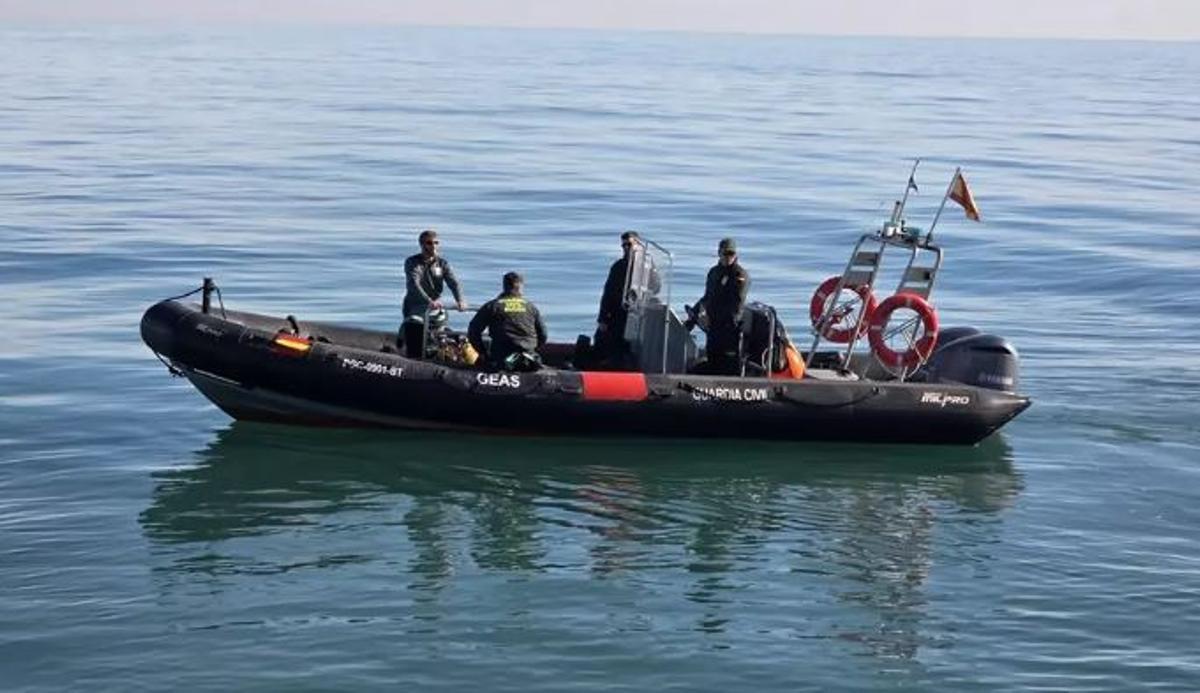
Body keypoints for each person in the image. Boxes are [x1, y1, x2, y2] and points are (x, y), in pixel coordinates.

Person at [687, 237, 750, 375]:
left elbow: (737, 306)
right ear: (719, 253)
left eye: (731, 254)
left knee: (726, 365)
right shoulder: (714, 272)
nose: (728, 257)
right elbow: (707, 297)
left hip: (728, 329)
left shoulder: (739, 275)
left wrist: (726, 326)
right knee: (712, 360)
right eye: (725, 253)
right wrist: (693, 316)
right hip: (713, 327)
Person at [401, 229, 466, 358]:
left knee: (440, 328)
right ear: (422, 245)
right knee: (415, 326)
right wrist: (429, 301)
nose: (433, 246)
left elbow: (453, 283)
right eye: (429, 243)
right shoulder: (413, 262)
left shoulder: (442, 263)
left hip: (435, 306)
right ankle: (414, 356)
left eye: (436, 243)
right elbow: (414, 284)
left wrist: (460, 300)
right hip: (416, 305)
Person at [468, 272, 548, 371]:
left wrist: (483, 353)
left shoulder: (492, 306)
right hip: (529, 359)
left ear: (504, 286)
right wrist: (532, 348)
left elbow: (473, 332)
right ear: (521, 287)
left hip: (502, 358)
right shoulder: (531, 307)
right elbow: (543, 334)